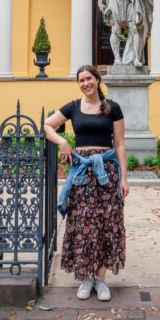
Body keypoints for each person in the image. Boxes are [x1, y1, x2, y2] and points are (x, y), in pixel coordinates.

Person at [43, 65, 129, 301]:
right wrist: (62, 142)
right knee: (82, 223)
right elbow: (47, 125)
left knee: (106, 223)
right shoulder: (73, 107)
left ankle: (100, 279)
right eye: (81, 80)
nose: (85, 83)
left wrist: (124, 177)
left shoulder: (112, 108)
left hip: (107, 173)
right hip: (81, 174)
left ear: (97, 79)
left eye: (89, 78)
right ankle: (86, 278)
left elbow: (120, 144)